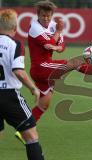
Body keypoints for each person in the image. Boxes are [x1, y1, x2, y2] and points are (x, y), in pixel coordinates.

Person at [15, 0, 92, 143]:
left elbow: (61, 46)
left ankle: (23, 132)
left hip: (46, 67)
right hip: (41, 67)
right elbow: (51, 45)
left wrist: (57, 43)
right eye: (43, 16)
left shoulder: (53, 25)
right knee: (75, 63)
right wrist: (58, 34)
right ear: (37, 15)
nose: (46, 19)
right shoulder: (35, 28)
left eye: (48, 16)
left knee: (43, 105)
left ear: (52, 15)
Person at [0, 9, 45, 160]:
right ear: (15, 28)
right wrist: (33, 88)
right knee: (31, 137)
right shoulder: (15, 44)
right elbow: (19, 71)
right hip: (9, 97)